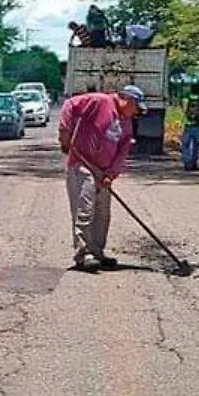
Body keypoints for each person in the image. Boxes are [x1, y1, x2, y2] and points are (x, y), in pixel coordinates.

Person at [58, 84, 147, 271]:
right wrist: (65, 134)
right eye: (136, 107)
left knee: (102, 213)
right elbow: (69, 105)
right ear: (127, 100)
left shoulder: (126, 121)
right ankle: (83, 254)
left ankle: (97, 252)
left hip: (103, 170)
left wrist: (111, 174)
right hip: (82, 163)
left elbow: (123, 150)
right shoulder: (100, 101)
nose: (136, 112)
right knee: (85, 208)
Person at [180, 83, 199, 171]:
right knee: (196, 146)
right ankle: (193, 164)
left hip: (187, 125)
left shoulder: (186, 99)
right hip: (197, 125)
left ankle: (186, 163)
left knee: (185, 145)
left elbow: (183, 111)